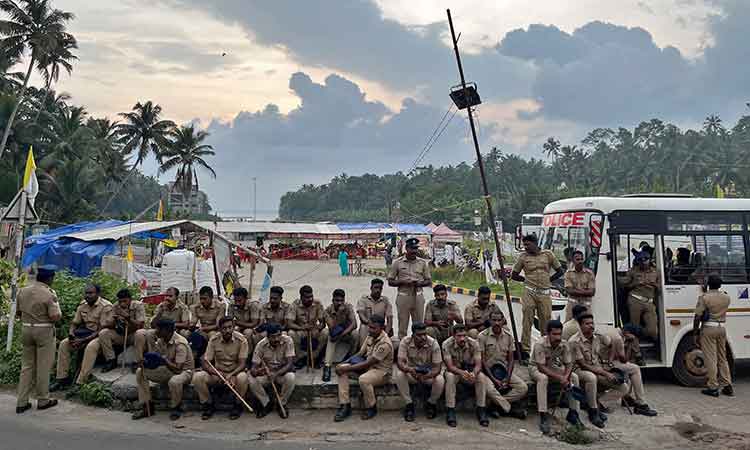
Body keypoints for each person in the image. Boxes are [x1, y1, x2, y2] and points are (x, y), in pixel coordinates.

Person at [15, 266, 62, 414]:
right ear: (49, 279)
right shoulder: (49, 294)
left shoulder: (23, 291)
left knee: (26, 366)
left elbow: (17, 313)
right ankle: (43, 399)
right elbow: (55, 317)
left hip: (26, 329)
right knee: (43, 366)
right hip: (44, 331)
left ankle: (21, 402)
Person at [77, 289, 145, 386]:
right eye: (120, 301)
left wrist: (128, 318)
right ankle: (111, 360)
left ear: (130, 299)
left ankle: (137, 361)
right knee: (104, 333)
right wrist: (114, 320)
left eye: (124, 301)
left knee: (141, 333)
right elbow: (106, 324)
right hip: (120, 335)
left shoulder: (138, 305)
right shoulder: (115, 306)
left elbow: (140, 325)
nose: (122, 304)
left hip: (133, 334)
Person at [50, 284, 112, 392]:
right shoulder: (83, 305)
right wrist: (71, 336)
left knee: (91, 347)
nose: (87, 296)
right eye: (86, 293)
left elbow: (102, 329)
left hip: (99, 335)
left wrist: (83, 341)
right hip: (84, 334)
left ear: (98, 294)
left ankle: (80, 382)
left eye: (91, 293)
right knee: (64, 344)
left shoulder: (106, 306)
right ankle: (61, 379)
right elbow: (75, 323)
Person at [132, 319, 194, 420]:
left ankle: (176, 407)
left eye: (158, 329)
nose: (156, 331)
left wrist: (164, 360)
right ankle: (147, 406)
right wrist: (145, 362)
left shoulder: (180, 343)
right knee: (140, 372)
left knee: (174, 381)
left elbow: (178, 369)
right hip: (169, 369)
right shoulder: (161, 340)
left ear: (166, 330)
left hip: (185, 372)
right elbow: (157, 359)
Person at [334, 315, 393, 422]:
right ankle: (345, 405)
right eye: (369, 327)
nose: (370, 330)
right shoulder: (370, 336)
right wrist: (343, 364)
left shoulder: (385, 343)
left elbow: (368, 363)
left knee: (364, 380)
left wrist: (347, 369)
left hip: (381, 372)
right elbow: (360, 354)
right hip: (367, 367)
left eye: (373, 328)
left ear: (382, 328)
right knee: (341, 370)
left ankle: (371, 407)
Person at [512, 234, 564, 354]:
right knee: (527, 320)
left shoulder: (548, 254)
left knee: (546, 321)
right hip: (529, 291)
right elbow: (514, 275)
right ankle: (525, 350)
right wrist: (524, 280)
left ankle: (546, 349)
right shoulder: (523, 257)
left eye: (528, 244)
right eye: (524, 244)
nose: (525, 247)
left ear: (535, 244)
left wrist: (549, 280)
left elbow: (560, 271)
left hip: (544, 292)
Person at [529, 320, 584, 435]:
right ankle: (543, 415)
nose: (558, 337)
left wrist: (566, 376)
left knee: (574, 377)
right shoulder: (540, 344)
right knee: (543, 379)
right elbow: (541, 367)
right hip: (536, 367)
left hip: (551, 366)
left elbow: (569, 363)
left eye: (559, 334)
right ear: (548, 334)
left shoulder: (563, 344)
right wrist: (560, 378)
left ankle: (574, 413)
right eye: (554, 334)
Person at [192, 316, 249, 420]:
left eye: (230, 327)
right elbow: (206, 362)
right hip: (218, 374)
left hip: (234, 374)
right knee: (198, 377)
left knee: (243, 377)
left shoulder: (242, 340)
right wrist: (217, 373)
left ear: (233, 327)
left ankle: (237, 405)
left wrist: (231, 375)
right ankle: (208, 404)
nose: (227, 330)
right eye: (224, 328)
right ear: (219, 329)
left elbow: (242, 364)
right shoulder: (214, 339)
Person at [478, 311, 528, 419]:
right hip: (488, 372)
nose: (496, 323)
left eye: (499, 320)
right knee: (489, 389)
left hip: (503, 371)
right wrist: (494, 379)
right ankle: (510, 410)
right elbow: (482, 361)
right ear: (490, 321)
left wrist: (507, 378)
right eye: (494, 320)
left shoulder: (509, 337)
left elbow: (511, 360)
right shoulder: (482, 336)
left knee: (523, 387)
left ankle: (496, 404)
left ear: (503, 321)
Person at [442, 324, 494, 427]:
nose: (462, 338)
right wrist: (461, 373)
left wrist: (473, 373)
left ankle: (481, 409)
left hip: (469, 370)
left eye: (464, 335)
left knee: (481, 377)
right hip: (454, 371)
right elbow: (449, 366)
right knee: (450, 377)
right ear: (453, 336)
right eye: (459, 336)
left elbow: (478, 364)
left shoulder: (474, 343)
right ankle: (450, 410)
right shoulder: (446, 344)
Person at [600, 325, 658, 416]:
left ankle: (627, 397)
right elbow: (624, 359)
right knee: (635, 369)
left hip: (604, 361)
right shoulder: (618, 338)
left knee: (630, 367)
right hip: (605, 364)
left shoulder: (614, 331)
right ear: (627, 332)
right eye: (634, 336)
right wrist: (630, 345)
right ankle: (641, 404)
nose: (634, 339)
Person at [394, 322, 444, 422]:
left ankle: (431, 403)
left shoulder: (433, 343)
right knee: (399, 375)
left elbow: (437, 368)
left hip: (428, 374)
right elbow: (400, 362)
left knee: (440, 380)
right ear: (413, 335)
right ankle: (409, 404)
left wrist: (426, 376)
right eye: (419, 335)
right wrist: (409, 370)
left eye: (424, 334)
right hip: (412, 373)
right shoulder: (405, 341)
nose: (423, 337)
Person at [693, 274, 733, 397]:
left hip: (709, 328)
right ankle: (727, 385)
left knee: (711, 358)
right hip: (721, 328)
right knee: (723, 357)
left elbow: (698, 316)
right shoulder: (726, 297)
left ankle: (713, 386)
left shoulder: (704, 298)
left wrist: (696, 332)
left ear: (708, 284)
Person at [248, 323, 296, 419]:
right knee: (250, 379)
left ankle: (281, 403)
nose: (277, 339)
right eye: (273, 337)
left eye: (279, 335)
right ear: (268, 337)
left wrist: (276, 374)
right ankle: (267, 403)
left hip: (281, 373)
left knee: (291, 377)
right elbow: (253, 368)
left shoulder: (288, 340)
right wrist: (258, 371)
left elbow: (289, 364)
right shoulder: (260, 345)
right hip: (267, 374)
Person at [388, 237, 432, 339]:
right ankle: (402, 345)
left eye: (415, 249)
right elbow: (390, 281)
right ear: (406, 249)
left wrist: (419, 284)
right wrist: (402, 282)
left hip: (418, 296)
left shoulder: (422, 263)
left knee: (419, 324)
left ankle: (418, 344)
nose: (414, 251)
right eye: (412, 249)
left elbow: (428, 281)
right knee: (403, 324)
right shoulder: (397, 263)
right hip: (404, 296)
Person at [618, 250, 660, 340]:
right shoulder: (633, 271)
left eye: (646, 259)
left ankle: (633, 333)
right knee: (634, 327)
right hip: (635, 300)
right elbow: (624, 285)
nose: (643, 262)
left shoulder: (656, 272)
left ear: (650, 260)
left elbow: (661, 287)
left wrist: (653, 284)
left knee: (653, 331)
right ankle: (635, 347)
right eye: (641, 260)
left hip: (649, 302)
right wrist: (635, 284)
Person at [288, 285, 328, 369]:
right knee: (291, 333)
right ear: (301, 297)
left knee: (325, 332)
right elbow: (289, 323)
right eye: (307, 297)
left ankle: (316, 354)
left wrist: (318, 328)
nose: (310, 299)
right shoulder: (295, 304)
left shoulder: (317, 303)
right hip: (301, 330)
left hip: (314, 329)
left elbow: (322, 323)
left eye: (311, 296)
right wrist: (302, 328)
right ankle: (300, 357)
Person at [322, 289, 358, 382]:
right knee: (331, 338)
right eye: (337, 300)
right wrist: (338, 314)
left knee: (356, 334)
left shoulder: (348, 307)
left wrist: (342, 334)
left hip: (345, 333)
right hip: (335, 333)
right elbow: (332, 327)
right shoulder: (327, 311)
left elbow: (354, 324)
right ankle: (327, 367)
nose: (339, 303)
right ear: (332, 300)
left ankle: (350, 360)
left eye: (341, 300)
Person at [356, 278, 394, 346]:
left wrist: (385, 335)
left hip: (380, 328)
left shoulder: (385, 301)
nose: (378, 290)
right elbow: (362, 317)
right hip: (368, 325)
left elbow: (390, 320)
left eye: (380, 288)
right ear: (371, 288)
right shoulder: (363, 300)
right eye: (376, 288)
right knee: (363, 327)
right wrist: (372, 325)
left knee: (393, 336)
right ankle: (364, 351)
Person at [564, 250, 596, 321]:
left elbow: (592, 292)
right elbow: (569, 291)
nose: (580, 261)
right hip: (572, 305)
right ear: (573, 261)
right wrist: (585, 291)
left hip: (585, 305)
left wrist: (575, 291)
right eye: (578, 259)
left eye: (582, 259)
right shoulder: (568, 273)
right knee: (568, 326)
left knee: (587, 324)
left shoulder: (589, 274)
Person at [230, 286, 261, 356]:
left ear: (246, 299)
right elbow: (230, 320)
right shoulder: (232, 305)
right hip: (240, 326)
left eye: (239, 301)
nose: (237, 303)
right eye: (235, 300)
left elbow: (254, 323)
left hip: (254, 328)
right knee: (232, 332)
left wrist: (237, 323)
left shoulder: (253, 305)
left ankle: (248, 356)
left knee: (247, 332)